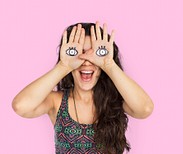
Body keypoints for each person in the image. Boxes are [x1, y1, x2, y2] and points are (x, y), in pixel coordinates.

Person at [12, 21, 154, 154]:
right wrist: (64, 66)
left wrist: (108, 64)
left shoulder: (115, 100)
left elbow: (145, 109)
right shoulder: (56, 101)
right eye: (79, 52)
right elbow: (21, 106)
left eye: (94, 53)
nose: (87, 62)